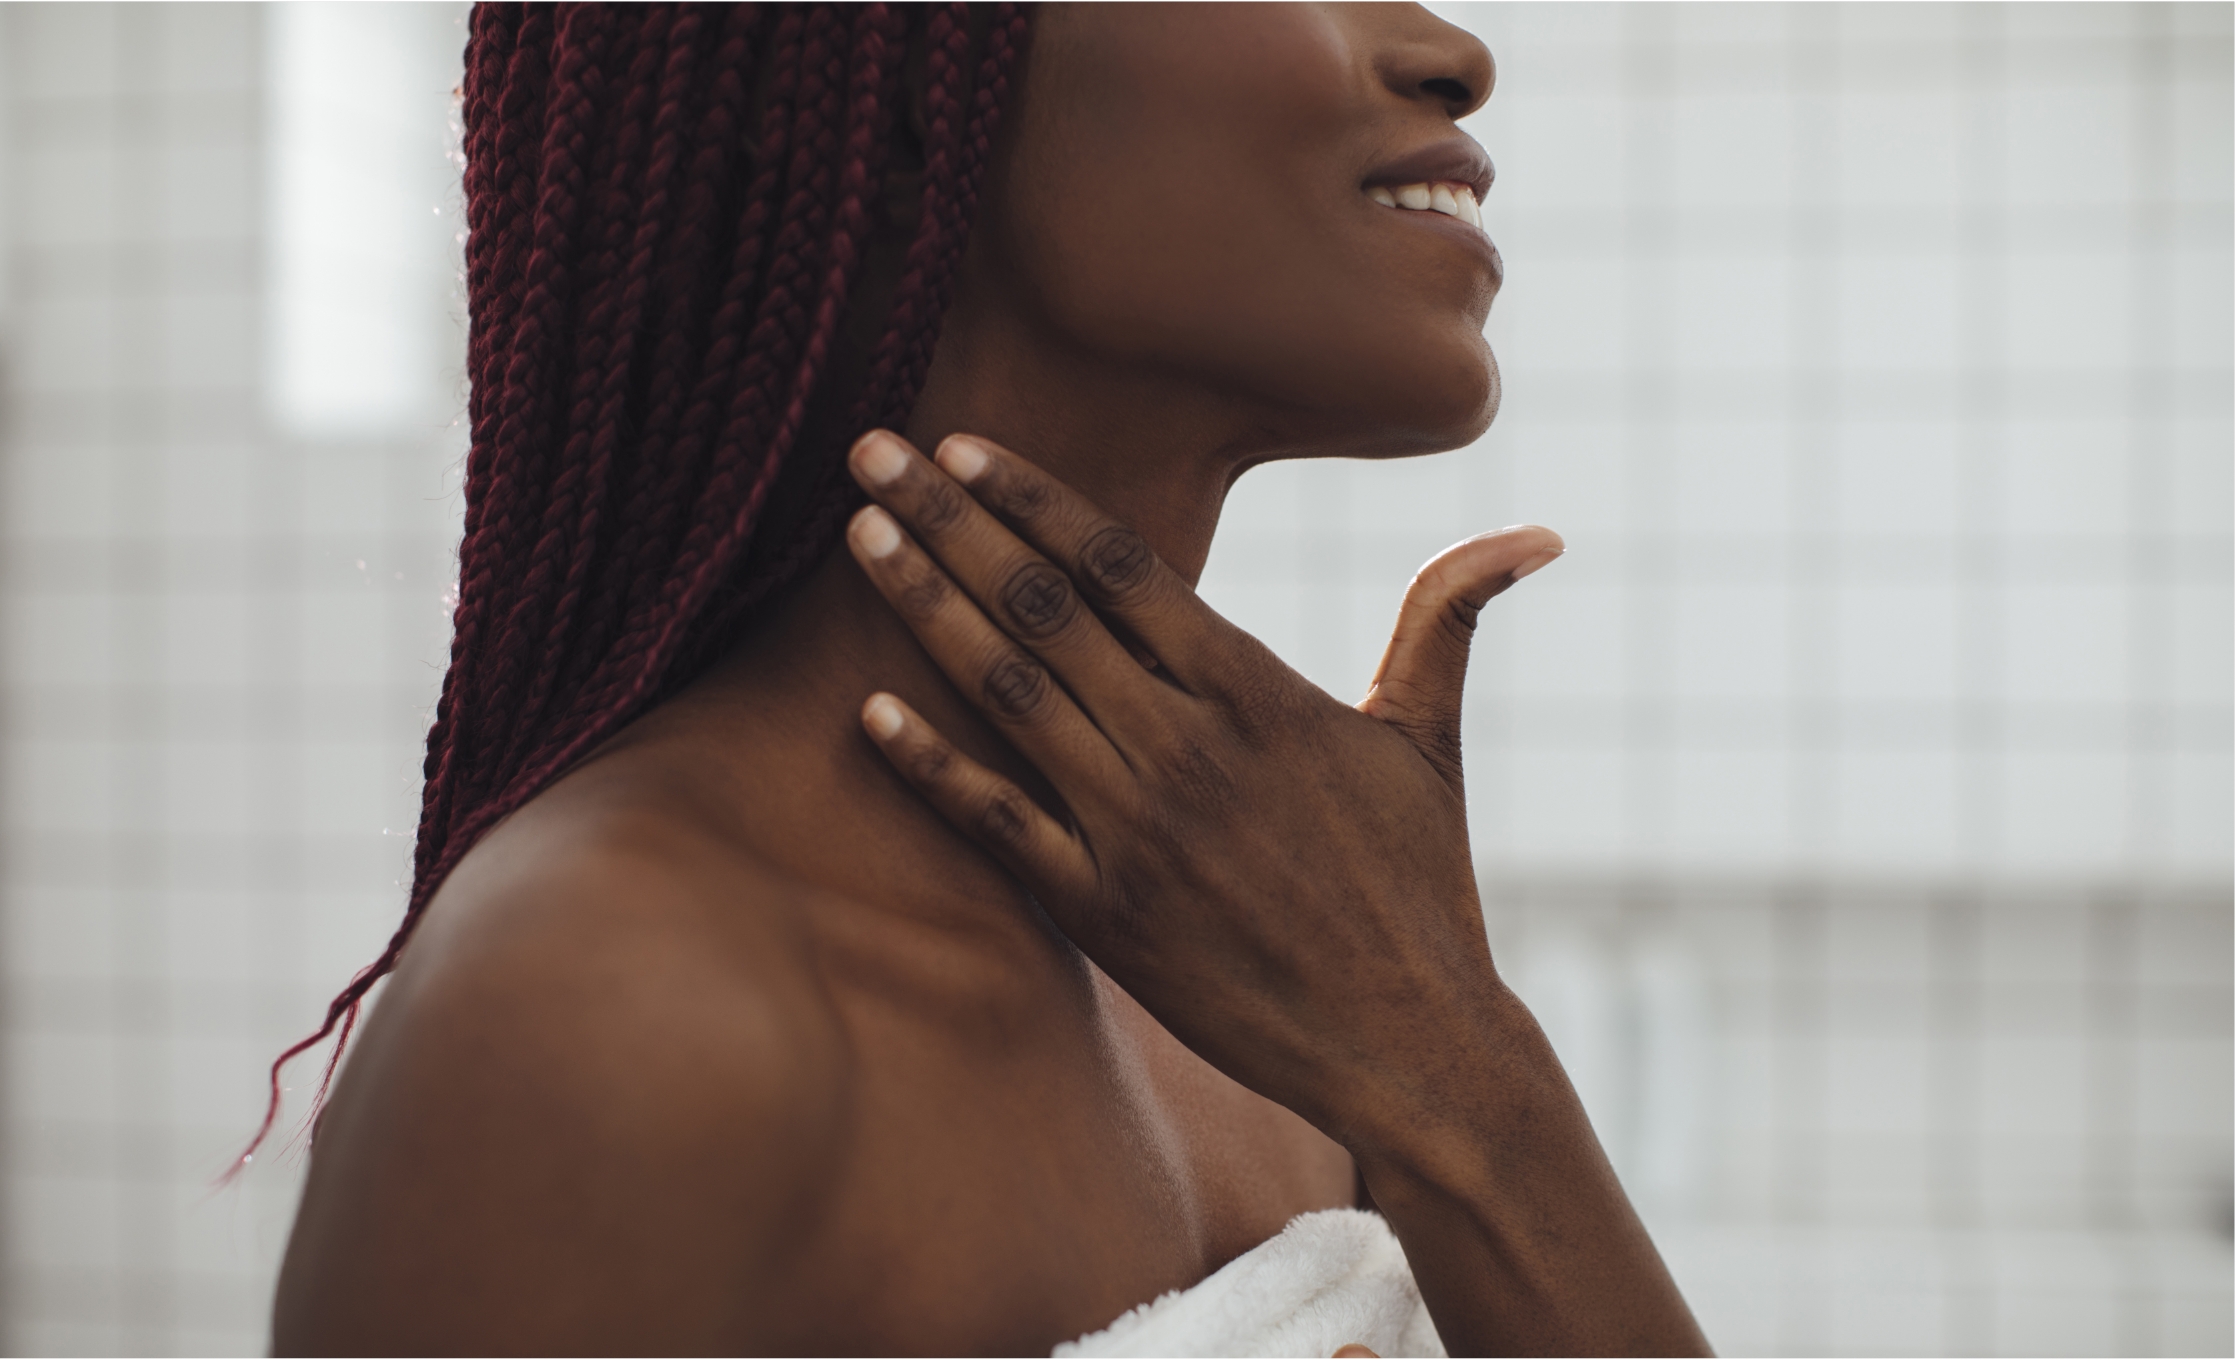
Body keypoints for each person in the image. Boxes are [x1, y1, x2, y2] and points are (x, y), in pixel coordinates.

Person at [269, 4, 1710, 1354]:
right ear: (894, 82)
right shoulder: (604, 1016)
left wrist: (1453, 1061)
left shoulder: (1270, 978)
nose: (1451, 51)